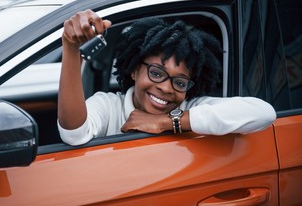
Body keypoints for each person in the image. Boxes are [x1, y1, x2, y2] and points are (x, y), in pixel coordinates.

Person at [58, 9, 276, 146]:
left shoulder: (190, 106)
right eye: (156, 73)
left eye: (180, 82)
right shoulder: (108, 105)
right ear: (134, 70)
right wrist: (70, 47)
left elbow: (264, 113)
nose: (166, 88)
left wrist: (165, 122)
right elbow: (74, 135)